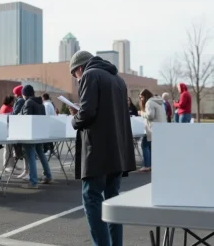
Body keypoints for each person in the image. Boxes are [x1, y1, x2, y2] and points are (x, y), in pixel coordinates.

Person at [68, 50, 136, 246]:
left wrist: (75, 117)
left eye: (75, 75)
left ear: (79, 68)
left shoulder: (90, 75)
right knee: (113, 202)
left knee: (92, 198)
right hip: (117, 151)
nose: (76, 79)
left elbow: (88, 113)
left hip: (97, 151)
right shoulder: (117, 79)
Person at [20, 85, 53, 189]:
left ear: (24, 94)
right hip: (39, 133)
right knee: (41, 154)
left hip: (30, 134)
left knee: (31, 156)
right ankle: (48, 176)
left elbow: (26, 119)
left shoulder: (28, 102)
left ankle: (33, 182)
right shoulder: (41, 103)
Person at [138, 89, 167, 172]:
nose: (141, 99)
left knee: (144, 145)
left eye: (141, 97)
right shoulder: (158, 101)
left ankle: (147, 165)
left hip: (153, 128)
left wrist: (141, 113)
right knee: (152, 147)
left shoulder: (149, 103)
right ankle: (152, 165)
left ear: (145, 96)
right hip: (160, 127)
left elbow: (150, 115)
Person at [0, 96, 16, 172]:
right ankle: (6, 165)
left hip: (11, 130)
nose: (13, 103)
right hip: (7, 131)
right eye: (12, 101)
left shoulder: (9, 107)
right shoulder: (5, 108)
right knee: (7, 149)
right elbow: (7, 120)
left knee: (11, 149)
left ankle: (12, 165)